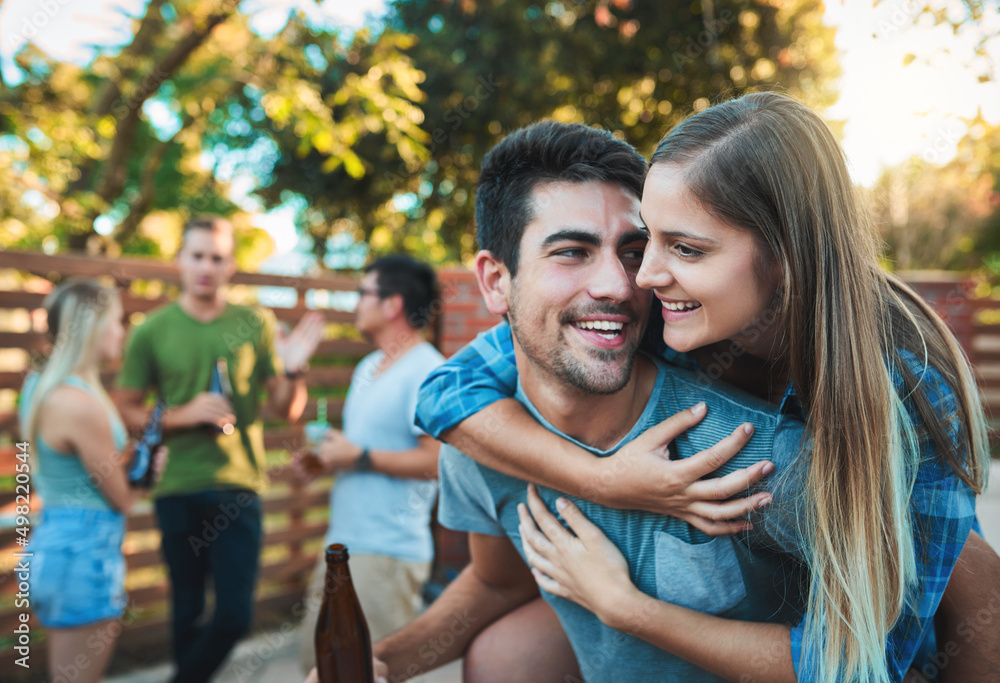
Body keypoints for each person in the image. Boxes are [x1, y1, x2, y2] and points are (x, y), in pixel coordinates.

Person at [415, 94, 997, 682]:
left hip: (904, 636)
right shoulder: (665, 319)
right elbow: (446, 391)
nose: (635, 279)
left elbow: (868, 660)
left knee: (969, 572)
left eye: (684, 248)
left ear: (785, 256)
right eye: (652, 241)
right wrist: (604, 481)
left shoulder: (904, 385)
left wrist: (628, 609)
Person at [306, 120, 819, 683]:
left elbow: (877, 657)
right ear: (495, 281)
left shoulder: (761, 451)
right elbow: (500, 582)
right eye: (572, 252)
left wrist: (630, 611)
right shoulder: (479, 442)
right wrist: (381, 664)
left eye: (632, 251)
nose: (618, 286)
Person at [116, 216, 324, 683]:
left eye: (216, 257)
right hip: (177, 486)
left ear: (230, 264)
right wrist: (180, 414)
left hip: (238, 487)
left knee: (233, 617)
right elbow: (126, 407)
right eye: (197, 256)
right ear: (180, 261)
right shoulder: (153, 330)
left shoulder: (255, 322)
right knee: (185, 610)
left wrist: (295, 370)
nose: (206, 266)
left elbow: (285, 409)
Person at [293, 254, 444, 674]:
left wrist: (358, 456)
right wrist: (328, 460)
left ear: (392, 304)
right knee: (317, 670)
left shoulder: (428, 370)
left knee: (364, 673)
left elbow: (437, 461)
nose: (356, 303)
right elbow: (367, 451)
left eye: (363, 293)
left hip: (388, 555)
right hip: (342, 545)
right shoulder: (366, 368)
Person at [19, 279, 166, 683]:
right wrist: (148, 474)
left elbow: (80, 465)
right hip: (83, 556)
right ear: (93, 328)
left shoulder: (42, 386)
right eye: (117, 321)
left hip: (57, 546)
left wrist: (131, 461)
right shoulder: (79, 404)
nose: (123, 330)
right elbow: (121, 498)